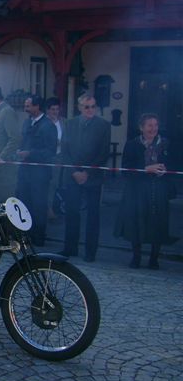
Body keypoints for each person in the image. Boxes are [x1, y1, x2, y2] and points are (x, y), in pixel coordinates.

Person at [114, 113, 173, 269]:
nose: (153, 129)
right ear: (141, 127)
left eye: (155, 125)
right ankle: (136, 257)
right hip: (137, 189)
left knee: (158, 222)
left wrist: (165, 170)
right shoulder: (132, 144)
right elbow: (126, 169)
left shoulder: (165, 144)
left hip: (158, 188)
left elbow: (174, 166)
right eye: (149, 125)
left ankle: (154, 258)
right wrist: (145, 169)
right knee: (137, 222)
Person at [58, 93, 111, 262]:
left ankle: (90, 252)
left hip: (92, 176)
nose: (90, 110)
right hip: (73, 174)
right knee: (72, 211)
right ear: (80, 107)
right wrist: (74, 172)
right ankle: (70, 247)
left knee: (93, 215)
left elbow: (103, 153)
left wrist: (87, 173)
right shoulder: (70, 124)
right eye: (86, 107)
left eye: (93, 106)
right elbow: (64, 151)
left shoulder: (103, 125)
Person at [14, 95, 57, 246]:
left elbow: (50, 151)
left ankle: (39, 237)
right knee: (24, 204)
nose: (26, 109)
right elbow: (23, 142)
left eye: (28, 106)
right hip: (25, 171)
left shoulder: (48, 126)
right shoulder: (27, 123)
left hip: (40, 173)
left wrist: (30, 153)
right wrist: (20, 151)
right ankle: (26, 235)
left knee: (39, 205)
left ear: (37, 106)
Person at [45, 97, 66, 219]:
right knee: (47, 184)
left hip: (59, 158)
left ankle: (51, 208)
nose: (55, 112)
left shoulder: (64, 122)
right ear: (47, 110)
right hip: (46, 159)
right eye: (52, 109)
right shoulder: (43, 122)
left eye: (57, 109)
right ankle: (48, 210)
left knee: (55, 184)